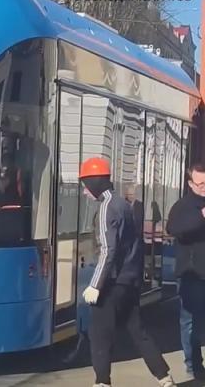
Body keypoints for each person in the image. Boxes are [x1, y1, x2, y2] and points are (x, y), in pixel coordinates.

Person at [79, 157, 175, 387]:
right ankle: (164, 377)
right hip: (129, 282)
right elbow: (133, 245)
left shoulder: (106, 207)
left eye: (85, 185)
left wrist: (95, 285)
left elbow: (107, 250)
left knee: (99, 335)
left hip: (112, 283)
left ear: (94, 182)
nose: (84, 192)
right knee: (138, 331)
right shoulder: (123, 204)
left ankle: (102, 382)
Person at [167, 163, 205, 378]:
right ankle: (194, 365)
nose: (204, 187)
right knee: (191, 321)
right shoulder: (183, 206)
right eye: (200, 184)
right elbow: (174, 228)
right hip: (192, 273)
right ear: (190, 183)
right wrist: (201, 217)